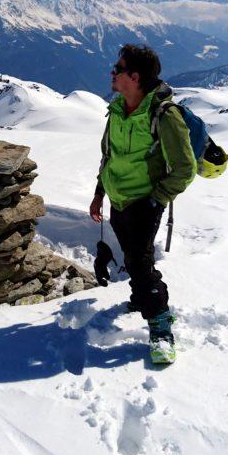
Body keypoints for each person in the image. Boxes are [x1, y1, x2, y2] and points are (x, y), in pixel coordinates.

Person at [90, 44, 196, 363]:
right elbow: (109, 156)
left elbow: (185, 168)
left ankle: (160, 325)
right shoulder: (118, 111)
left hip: (144, 201)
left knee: (137, 262)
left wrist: (156, 200)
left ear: (134, 77)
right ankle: (143, 295)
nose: (112, 72)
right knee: (136, 259)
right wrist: (99, 193)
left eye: (118, 68)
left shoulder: (164, 115)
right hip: (118, 199)